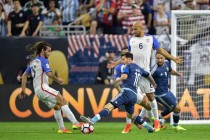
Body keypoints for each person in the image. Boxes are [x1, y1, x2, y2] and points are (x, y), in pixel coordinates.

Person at [108, 21, 183, 131]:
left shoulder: (151, 38)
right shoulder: (132, 40)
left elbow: (160, 50)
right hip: (133, 74)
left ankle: (156, 122)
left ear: (141, 28)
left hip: (145, 73)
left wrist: (173, 58)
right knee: (128, 99)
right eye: (132, 29)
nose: (133, 32)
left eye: (135, 29)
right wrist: (116, 63)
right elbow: (127, 56)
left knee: (151, 98)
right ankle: (128, 125)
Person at [80, 52, 156, 133]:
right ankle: (149, 128)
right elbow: (148, 75)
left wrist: (118, 79)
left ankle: (93, 120)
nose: (122, 61)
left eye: (124, 59)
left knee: (109, 106)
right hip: (134, 95)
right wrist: (154, 83)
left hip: (127, 92)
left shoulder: (128, 66)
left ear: (129, 59)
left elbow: (125, 76)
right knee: (131, 115)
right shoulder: (139, 68)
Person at [19, 41, 82, 133]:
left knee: (57, 106)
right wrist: (58, 80)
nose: (49, 53)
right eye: (48, 51)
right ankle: (75, 123)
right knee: (63, 101)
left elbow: (24, 75)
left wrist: (23, 90)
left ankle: (62, 129)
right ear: (42, 50)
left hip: (37, 91)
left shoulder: (33, 62)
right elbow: (49, 73)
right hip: (43, 88)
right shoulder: (43, 60)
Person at [114, 47, 153, 133]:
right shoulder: (119, 68)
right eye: (123, 55)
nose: (125, 57)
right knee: (128, 107)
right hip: (126, 89)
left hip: (136, 89)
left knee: (147, 105)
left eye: (126, 53)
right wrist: (120, 88)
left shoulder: (133, 65)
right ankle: (128, 125)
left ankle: (144, 119)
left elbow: (144, 73)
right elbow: (116, 80)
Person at [150, 52, 186, 131]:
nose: (159, 60)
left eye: (161, 58)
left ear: (164, 58)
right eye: (157, 58)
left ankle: (158, 118)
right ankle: (175, 125)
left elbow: (170, 70)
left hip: (167, 90)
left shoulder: (166, 63)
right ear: (155, 58)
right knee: (177, 108)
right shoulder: (154, 69)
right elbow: (147, 77)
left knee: (172, 107)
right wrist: (152, 84)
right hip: (160, 94)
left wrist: (178, 74)